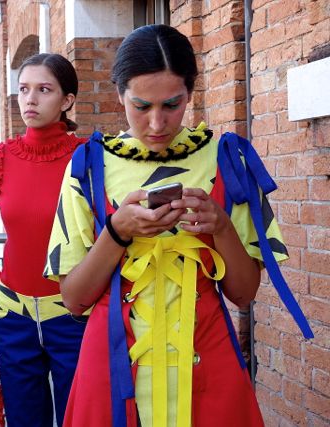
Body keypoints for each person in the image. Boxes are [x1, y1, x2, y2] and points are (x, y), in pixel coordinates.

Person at [45, 24, 311, 427]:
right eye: (141, 106)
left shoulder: (229, 161)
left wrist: (221, 227)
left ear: (191, 92)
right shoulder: (87, 168)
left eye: (172, 104)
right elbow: (74, 299)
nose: (157, 123)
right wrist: (116, 233)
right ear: (119, 94)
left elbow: (243, 294)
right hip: (113, 369)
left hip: (209, 365)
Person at [0, 53, 86, 427]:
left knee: (80, 419)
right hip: (13, 318)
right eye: (24, 89)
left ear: (66, 100)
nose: (30, 99)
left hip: (74, 317)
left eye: (44, 90)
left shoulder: (88, 155)